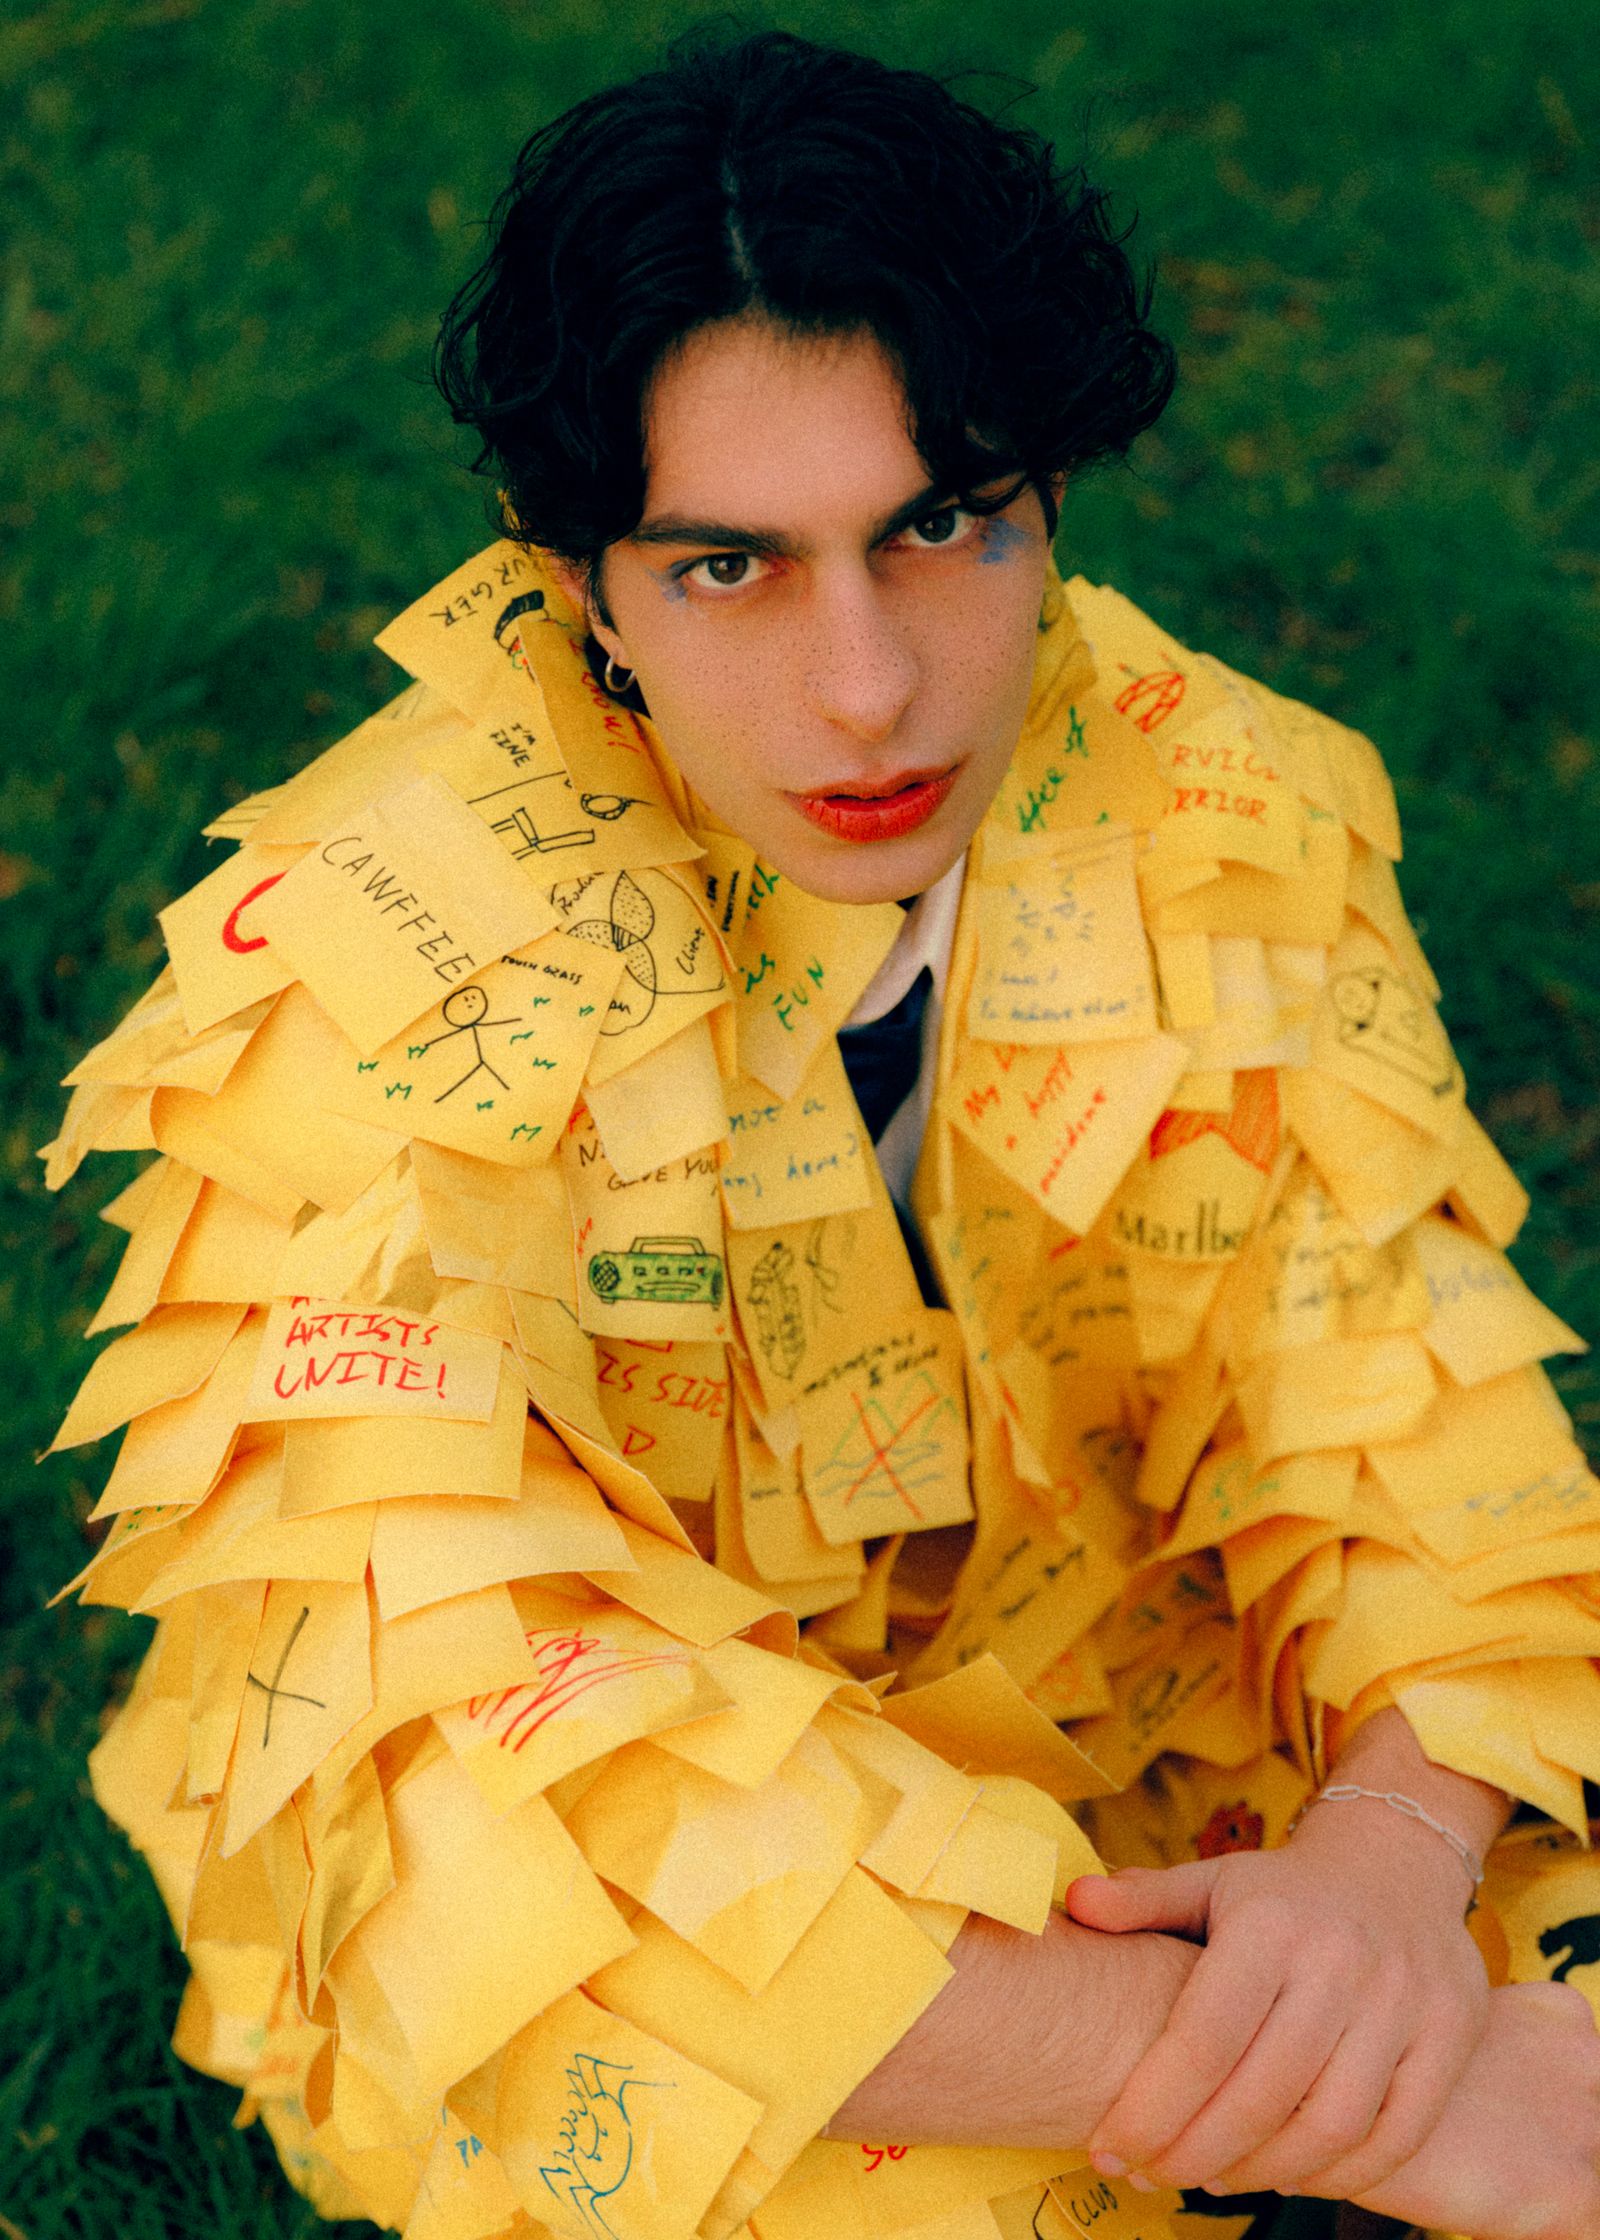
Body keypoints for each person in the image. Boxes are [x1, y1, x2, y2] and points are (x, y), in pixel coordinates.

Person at [45, 30, 1600, 2240]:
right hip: (664, 1893)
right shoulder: (370, 974)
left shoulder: (1218, 797)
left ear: (1043, 494)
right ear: (573, 578)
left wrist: (1382, 1863)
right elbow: (480, 1791)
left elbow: (1411, 1414)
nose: (866, 687)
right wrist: (1332, 2084)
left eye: (935, 526)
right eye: (725, 569)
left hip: (1158, 1753)